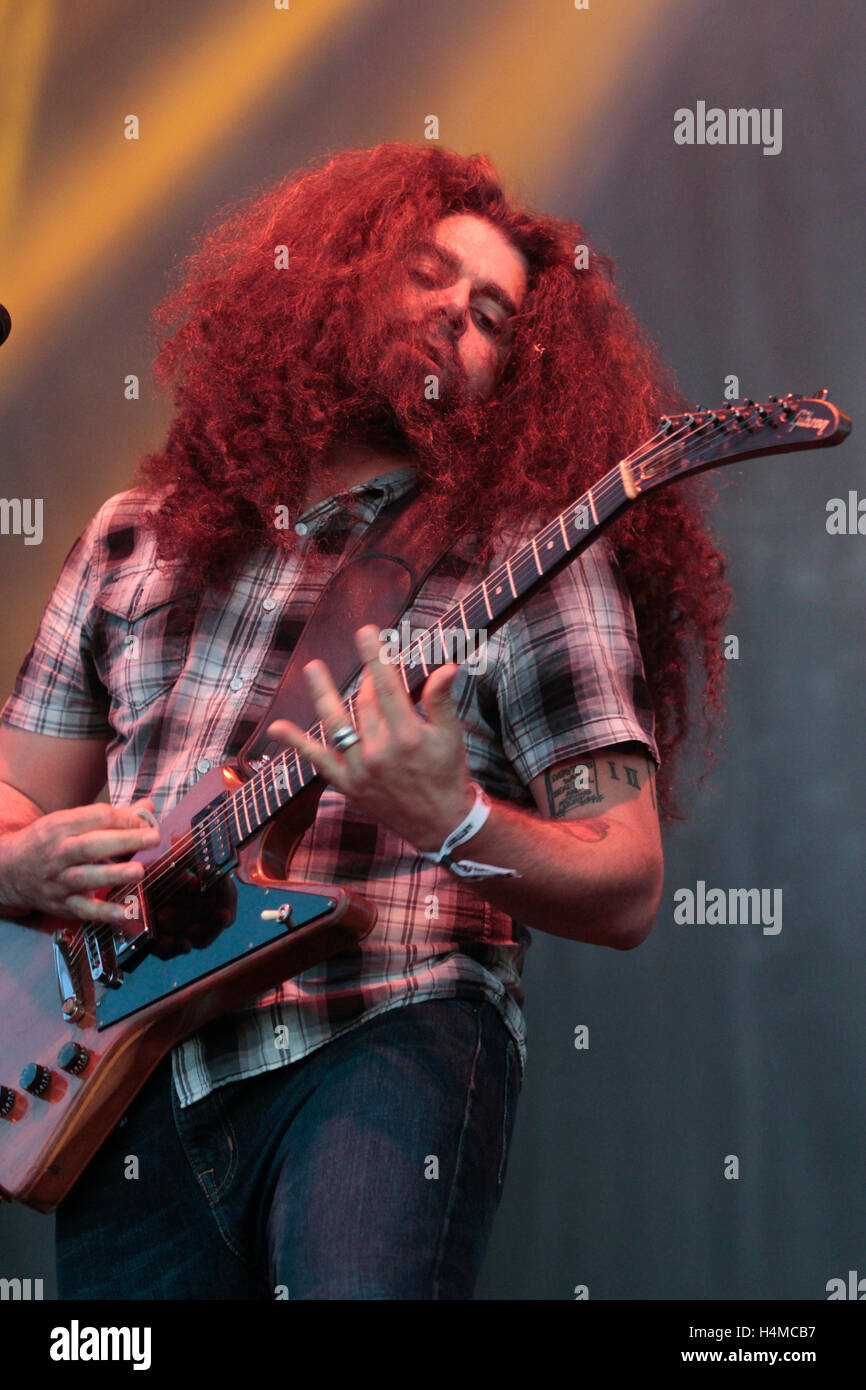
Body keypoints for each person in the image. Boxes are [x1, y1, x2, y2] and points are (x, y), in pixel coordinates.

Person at [0, 143, 729, 1300]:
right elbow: (21, 794)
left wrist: (452, 820)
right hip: (121, 1080)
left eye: (491, 315)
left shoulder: (531, 559)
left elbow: (627, 879)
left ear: (512, 380)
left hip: (385, 1028)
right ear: (333, 280)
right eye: (428, 274)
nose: (456, 316)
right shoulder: (132, 537)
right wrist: (24, 860)